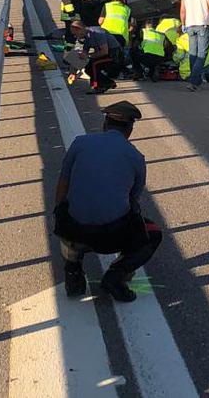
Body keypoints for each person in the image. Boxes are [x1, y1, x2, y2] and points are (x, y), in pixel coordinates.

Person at [53, 100, 162, 302]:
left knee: (64, 211)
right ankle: (116, 275)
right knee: (152, 233)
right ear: (130, 130)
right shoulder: (136, 157)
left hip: (74, 231)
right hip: (112, 236)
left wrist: (62, 218)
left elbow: (62, 188)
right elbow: (133, 200)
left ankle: (73, 272)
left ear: (105, 124)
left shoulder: (79, 143)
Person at [70, 20, 123, 94]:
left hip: (113, 53)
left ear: (80, 29)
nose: (75, 36)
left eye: (75, 34)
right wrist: (73, 72)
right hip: (105, 54)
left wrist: (88, 56)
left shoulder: (97, 33)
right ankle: (107, 82)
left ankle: (97, 86)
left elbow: (104, 51)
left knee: (93, 64)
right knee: (88, 68)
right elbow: (82, 55)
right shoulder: (85, 37)